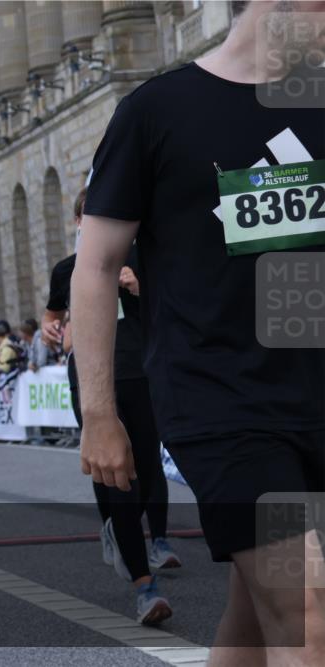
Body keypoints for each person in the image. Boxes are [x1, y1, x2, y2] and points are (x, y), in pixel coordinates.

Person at [73, 0, 324, 658]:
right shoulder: (157, 111)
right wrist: (99, 412)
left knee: (254, 612)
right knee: (306, 606)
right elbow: (96, 266)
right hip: (219, 397)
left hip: (313, 391)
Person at [45, 188, 178, 626]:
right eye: (88, 214)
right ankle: (145, 587)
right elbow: (52, 319)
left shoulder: (142, 258)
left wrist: (138, 289)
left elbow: (171, 312)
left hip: (143, 372)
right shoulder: (68, 269)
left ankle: (123, 534)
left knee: (145, 471)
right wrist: (53, 331)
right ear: (79, 221)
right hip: (93, 378)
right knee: (118, 476)